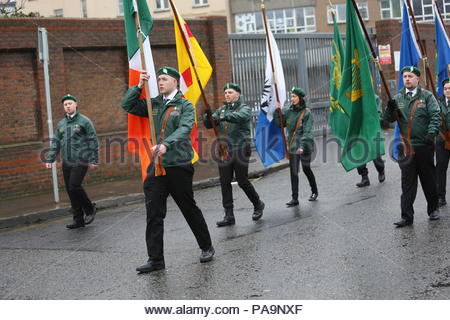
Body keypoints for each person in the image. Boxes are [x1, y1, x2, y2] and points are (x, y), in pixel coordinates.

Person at [121, 67, 214, 273]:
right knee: (154, 213)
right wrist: (137, 87)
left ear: (175, 82)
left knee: (188, 208)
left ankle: (206, 246)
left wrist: (166, 144)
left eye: (164, 79)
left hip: (178, 165)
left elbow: (185, 128)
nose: (160, 82)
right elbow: (127, 105)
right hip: (157, 166)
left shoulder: (185, 105)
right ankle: (156, 260)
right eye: (158, 79)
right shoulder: (154, 103)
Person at [383, 66, 441, 228]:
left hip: (424, 145)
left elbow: (435, 116)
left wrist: (431, 134)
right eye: (404, 77)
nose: (407, 79)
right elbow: (387, 120)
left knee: (428, 179)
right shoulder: (398, 98)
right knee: (407, 183)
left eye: (410, 76)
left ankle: (433, 209)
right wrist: (389, 108)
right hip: (406, 147)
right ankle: (406, 216)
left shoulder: (427, 96)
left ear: (418, 79)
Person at [203, 83, 265, 227]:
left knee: (242, 180)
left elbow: (240, 117)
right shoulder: (221, 109)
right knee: (225, 182)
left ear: (238, 94)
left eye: (230, 92)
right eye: (225, 93)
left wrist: (223, 118)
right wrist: (207, 117)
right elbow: (209, 124)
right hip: (224, 150)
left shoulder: (245, 108)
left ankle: (258, 204)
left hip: (240, 148)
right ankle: (229, 215)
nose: (227, 95)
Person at [45, 94, 99, 229]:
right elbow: (56, 142)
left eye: (70, 103)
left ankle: (89, 208)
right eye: (65, 105)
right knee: (70, 190)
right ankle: (78, 219)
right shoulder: (61, 124)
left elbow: (93, 140)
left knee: (74, 186)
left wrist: (94, 159)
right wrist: (50, 158)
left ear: (76, 104)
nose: (68, 106)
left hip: (81, 159)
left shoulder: (84, 121)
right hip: (67, 161)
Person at [274, 87, 318, 207]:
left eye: (294, 96)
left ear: (300, 98)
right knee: (293, 172)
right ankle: (295, 198)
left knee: (306, 168)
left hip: (305, 145)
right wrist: (277, 111)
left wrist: (303, 146)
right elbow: (280, 124)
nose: (292, 99)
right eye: (291, 96)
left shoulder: (306, 112)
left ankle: (314, 191)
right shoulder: (289, 112)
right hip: (293, 146)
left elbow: (307, 131)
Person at [355, 95, 385, 187]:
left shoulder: (374, 97)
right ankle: (364, 178)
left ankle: (381, 170)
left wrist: (373, 122)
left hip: (371, 129)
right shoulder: (354, 97)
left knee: (375, 155)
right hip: (359, 130)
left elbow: (379, 113)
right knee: (359, 155)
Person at [436, 78, 450, 207]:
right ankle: (441, 196)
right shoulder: (437, 102)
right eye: (445, 89)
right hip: (442, 141)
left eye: (449, 88)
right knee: (441, 168)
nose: (447, 91)